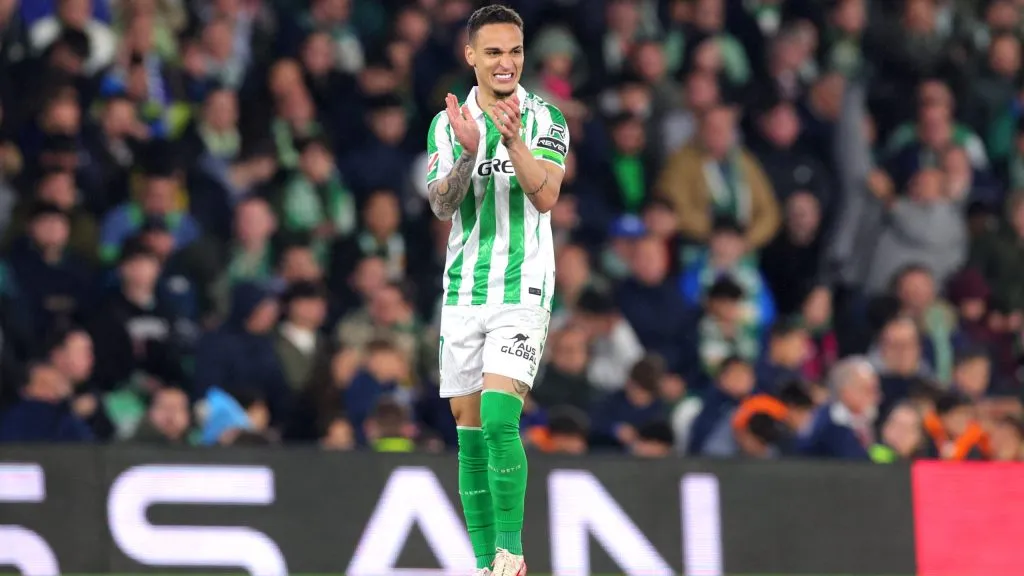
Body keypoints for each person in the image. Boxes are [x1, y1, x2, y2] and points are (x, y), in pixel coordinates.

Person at [425, 5, 570, 575]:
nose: (506, 63)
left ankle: (510, 551)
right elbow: (441, 204)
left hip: (523, 284)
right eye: (493, 52)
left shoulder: (546, 118)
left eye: (514, 51)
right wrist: (465, 152)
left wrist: (512, 143)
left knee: (498, 416)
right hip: (463, 289)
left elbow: (546, 195)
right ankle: (487, 565)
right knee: (468, 424)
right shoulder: (449, 122)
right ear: (471, 57)